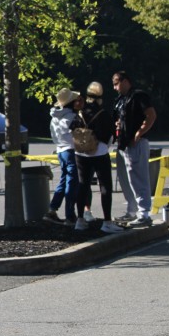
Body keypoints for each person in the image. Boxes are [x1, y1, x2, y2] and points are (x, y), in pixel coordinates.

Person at [72, 82, 123, 234]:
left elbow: (72, 130)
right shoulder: (103, 114)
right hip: (99, 153)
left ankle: (80, 220)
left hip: (81, 153)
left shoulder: (80, 113)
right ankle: (107, 221)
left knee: (83, 185)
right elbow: (109, 137)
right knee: (105, 186)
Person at [112, 70, 157, 227]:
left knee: (139, 178)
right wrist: (119, 124)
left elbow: (151, 115)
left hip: (136, 143)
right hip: (124, 143)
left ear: (125, 81)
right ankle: (134, 211)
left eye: (116, 83)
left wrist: (139, 132)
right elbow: (122, 117)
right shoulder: (122, 99)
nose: (115, 88)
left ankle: (144, 213)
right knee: (129, 179)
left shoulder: (138, 95)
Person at [46, 88, 81, 225]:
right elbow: (81, 135)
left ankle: (52, 209)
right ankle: (70, 215)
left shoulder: (54, 117)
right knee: (72, 183)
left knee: (64, 180)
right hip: (71, 150)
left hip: (60, 150)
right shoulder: (72, 117)